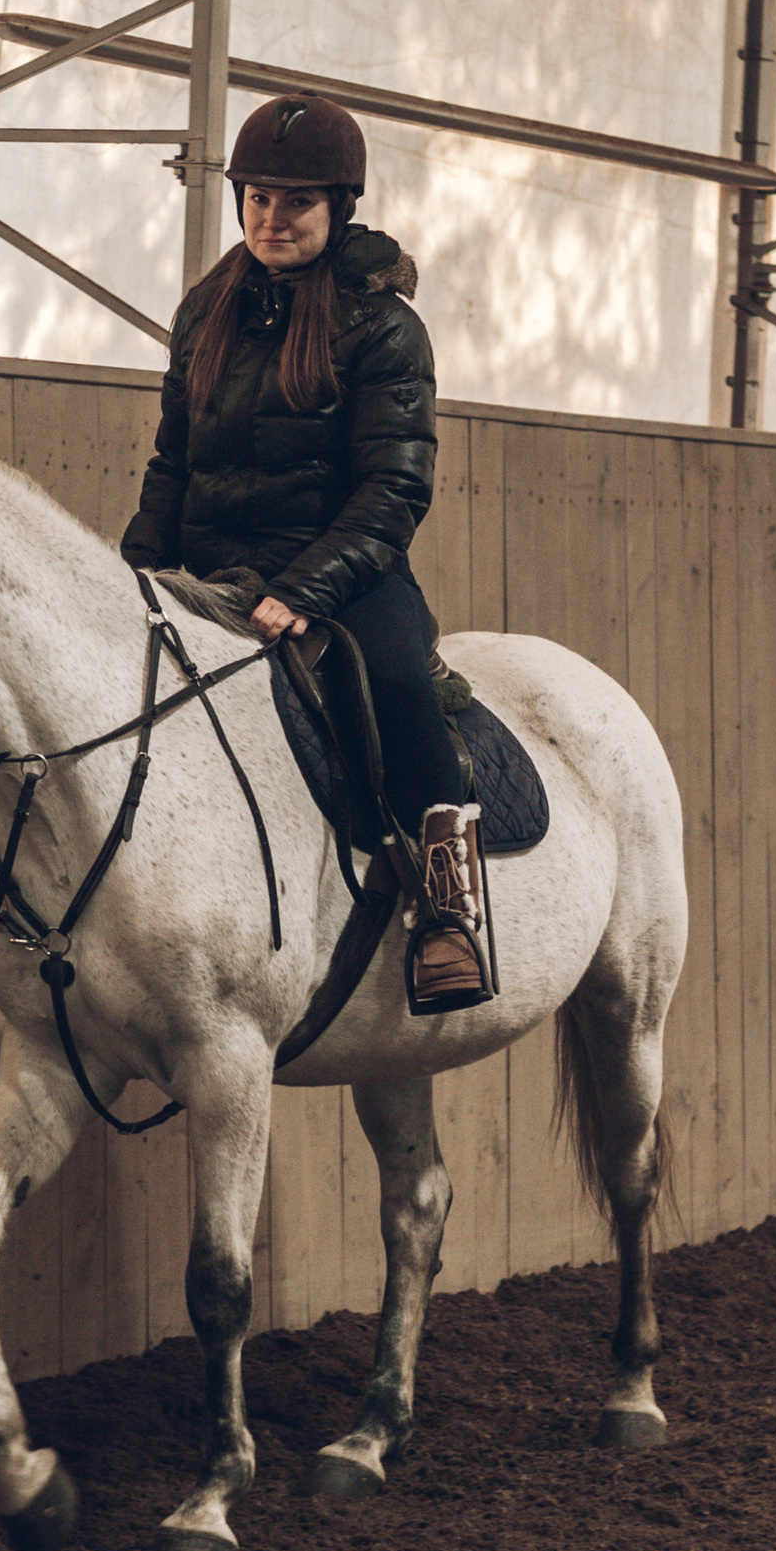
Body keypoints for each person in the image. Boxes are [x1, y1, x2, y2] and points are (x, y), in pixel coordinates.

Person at [122, 94, 491, 1011]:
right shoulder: (204, 313)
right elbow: (175, 461)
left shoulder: (384, 329)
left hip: (340, 571)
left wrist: (306, 587)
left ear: (339, 209)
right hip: (208, 569)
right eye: (256, 199)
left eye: (295, 203)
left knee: (401, 685)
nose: (270, 219)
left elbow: (394, 489)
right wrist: (132, 566)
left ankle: (450, 910)